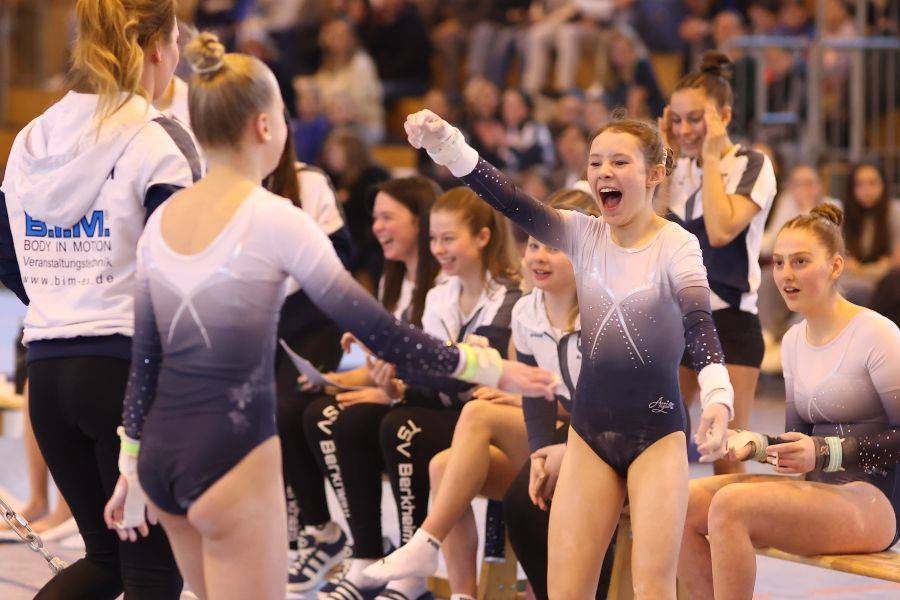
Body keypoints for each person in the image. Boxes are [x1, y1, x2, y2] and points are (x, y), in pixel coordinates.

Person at [101, 34, 554, 600]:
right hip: (230, 450)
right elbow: (381, 332)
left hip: (161, 454)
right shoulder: (275, 218)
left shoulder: (162, 221)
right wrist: (492, 368)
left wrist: (130, 464)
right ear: (265, 126)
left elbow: (146, 358)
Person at [371, 105, 734, 599]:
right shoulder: (582, 235)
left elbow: (699, 321)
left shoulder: (677, 245)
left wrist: (717, 395)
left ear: (654, 174)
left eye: (620, 162)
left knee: (652, 588)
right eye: (596, 162)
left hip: (657, 433)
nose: (604, 172)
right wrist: (447, 143)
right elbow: (509, 199)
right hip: (589, 435)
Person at [0, 1, 202, 597]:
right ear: (158, 47)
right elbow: (182, 272)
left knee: (105, 562)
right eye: (176, 44)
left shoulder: (31, 135)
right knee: (151, 572)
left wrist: (64, 295)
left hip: (48, 374)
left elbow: (6, 251)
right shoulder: (158, 137)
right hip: (126, 375)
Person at [366, 190, 615, 600]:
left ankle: (426, 542)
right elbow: (532, 390)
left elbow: (602, 406)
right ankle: (463, 594)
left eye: (554, 248)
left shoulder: (602, 315)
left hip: (601, 442)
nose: (539, 257)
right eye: (533, 245)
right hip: (552, 435)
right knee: (443, 465)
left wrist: (517, 400)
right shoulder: (527, 312)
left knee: (478, 413)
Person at [678, 203, 900, 599]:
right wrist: (753, 445)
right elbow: (797, 444)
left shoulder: (877, 334)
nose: (785, 275)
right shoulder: (794, 341)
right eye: (779, 263)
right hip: (819, 492)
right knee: (682, 503)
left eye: (800, 261)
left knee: (730, 506)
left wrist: (825, 451)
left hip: (873, 501)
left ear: (835, 266)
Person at [318, 186, 522, 600]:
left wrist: (398, 366)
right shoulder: (438, 296)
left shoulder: (510, 297)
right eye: (434, 239)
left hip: (490, 423)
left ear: (483, 237)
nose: (438, 250)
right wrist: (391, 378)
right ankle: (367, 553)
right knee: (345, 419)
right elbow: (434, 377)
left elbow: (469, 376)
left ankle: (414, 557)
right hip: (450, 414)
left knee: (403, 426)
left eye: (448, 239)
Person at [289, 176, 443, 594]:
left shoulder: (441, 284)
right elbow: (380, 362)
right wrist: (337, 378)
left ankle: (399, 561)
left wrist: (385, 389)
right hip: (403, 394)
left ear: (420, 221)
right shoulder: (392, 281)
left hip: (433, 404)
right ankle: (364, 552)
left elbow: (430, 365)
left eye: (388, 217)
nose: (377, 228)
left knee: (352, 420)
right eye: (374, 218)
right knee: (317, 411)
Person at [659, 50, 777, 474]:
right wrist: (665, 157)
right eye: (677, 119)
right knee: (657, 435)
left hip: (730, 321)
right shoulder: (678, 167)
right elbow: (652, 225)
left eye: (696, 119)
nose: (685, 129)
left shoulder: (752, 163)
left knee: (727, 453)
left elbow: (723, 229)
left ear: (723, 116)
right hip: (678, 317)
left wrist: (710, 157)